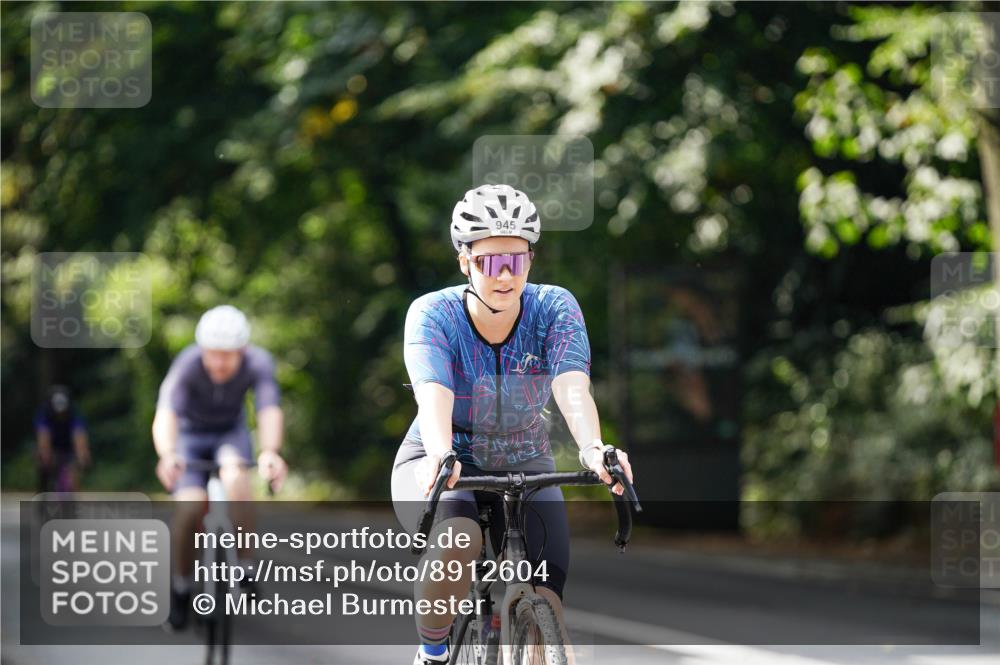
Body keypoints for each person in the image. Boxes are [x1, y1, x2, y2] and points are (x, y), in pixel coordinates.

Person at [391, 184, 635, 665]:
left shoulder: (554, 308)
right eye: (490, 263)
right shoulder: (432, 314)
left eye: (516, 262)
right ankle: (432, 653)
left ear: (531, 260)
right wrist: (441, 454)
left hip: (524, 459)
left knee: (548, 600)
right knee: (460, 540)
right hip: (441, 458)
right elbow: (433, 393)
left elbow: (571, 386)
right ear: (465, 262)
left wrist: (592, 448)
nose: (505, 276)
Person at [152, 305, 288, 630]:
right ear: (202, 349)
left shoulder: (258, 362)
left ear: (242, 350)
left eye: (227, 355)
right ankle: (182, 587)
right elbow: (166, 413)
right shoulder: (187, 363)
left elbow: (269, 409)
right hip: (189, 437)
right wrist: (168, 453)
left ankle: (244, 567)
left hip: (230, 434)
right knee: (189, 509)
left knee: (237, 477)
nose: (218, 363)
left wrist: (270, 451)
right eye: (212, 354)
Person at [35, 385, 90, 493]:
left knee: (73, 473)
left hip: (69, 449)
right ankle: (43, 492)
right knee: (43, 466)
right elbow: (43, 438)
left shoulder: (74, 415)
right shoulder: (44, 414)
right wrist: (46, 455)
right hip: (52, 448)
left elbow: (79, 437)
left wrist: (83, 455)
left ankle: (72, 498)